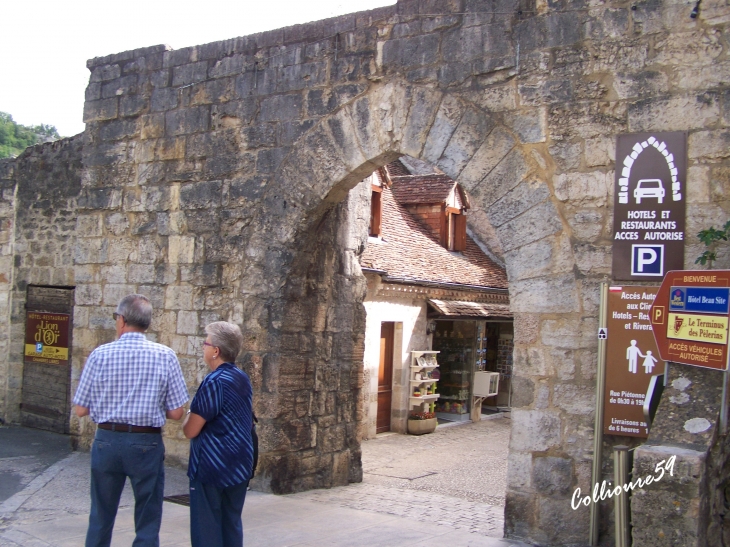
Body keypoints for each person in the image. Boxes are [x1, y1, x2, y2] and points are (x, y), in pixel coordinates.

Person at [73, 294, 189, 547]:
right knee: (148, 515)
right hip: (145, 441)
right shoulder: (165, 355)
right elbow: (177, 412)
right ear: (146, 323)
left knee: (101, 514)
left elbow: (81, 409)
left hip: (107, 439)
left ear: (122, 320)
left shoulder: (99, 355)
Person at [183, 321, 254, 547]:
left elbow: (191, 429)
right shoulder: (242, 378)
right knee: (231, 525)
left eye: (206, 343)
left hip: (212, 467)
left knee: (207, 531)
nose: (203, 347)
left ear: (216, 351)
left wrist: (188, 414)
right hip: (239, 464)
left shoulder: (214, 382)